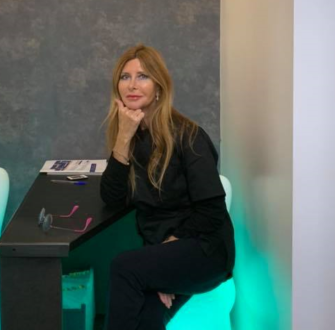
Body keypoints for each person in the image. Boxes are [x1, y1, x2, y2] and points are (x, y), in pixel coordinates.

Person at [100, 44, 235, 330]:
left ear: (159, 88)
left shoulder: (188, 136)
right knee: (147, 313)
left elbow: (211, 212)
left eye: (143, 76)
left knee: (123, 267)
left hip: (205, 250)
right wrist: (122, 138)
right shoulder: (132, 137)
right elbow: (112, 199)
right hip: (164, 251)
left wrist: (167, 261)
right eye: (125, 77)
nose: (132, 85)